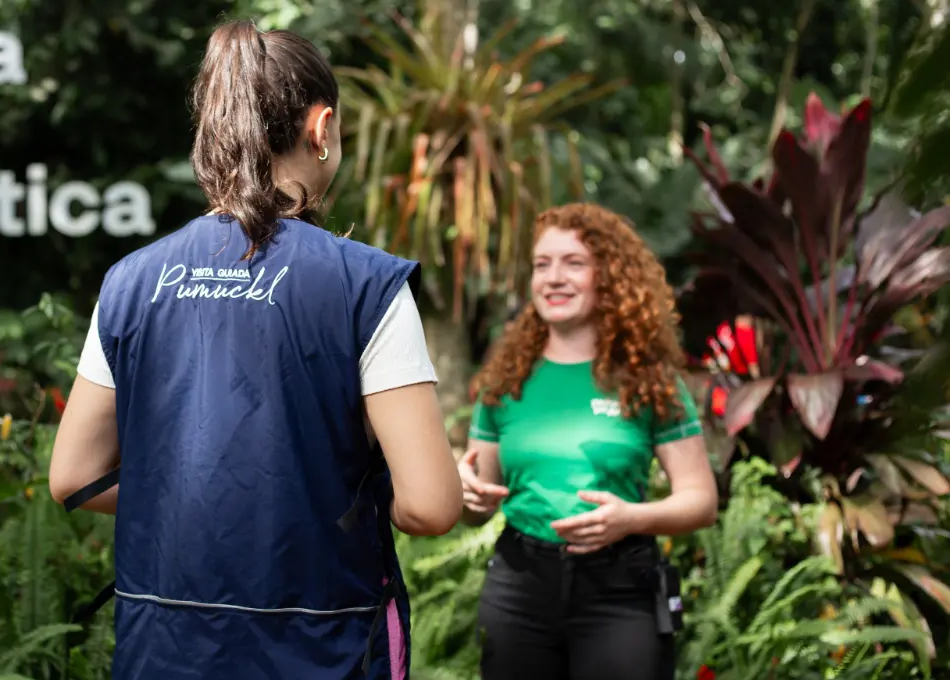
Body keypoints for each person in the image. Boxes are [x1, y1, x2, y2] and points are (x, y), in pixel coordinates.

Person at [48, 19, 462, 680]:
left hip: (164, 649)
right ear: (322, 129)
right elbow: (431, 506)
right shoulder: (366, 285)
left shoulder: (130, 281)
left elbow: (73, 477)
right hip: (324, 647)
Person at [458, 203, 718, 680]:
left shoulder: (647, 379)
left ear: (609, 276)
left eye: (573, 263)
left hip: (620, 588)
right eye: (542, 264)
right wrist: (466, 492)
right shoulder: (505, 379)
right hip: (519, 588)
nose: (554, 278)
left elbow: (701, 501)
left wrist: (632, 519)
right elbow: (477, 504)